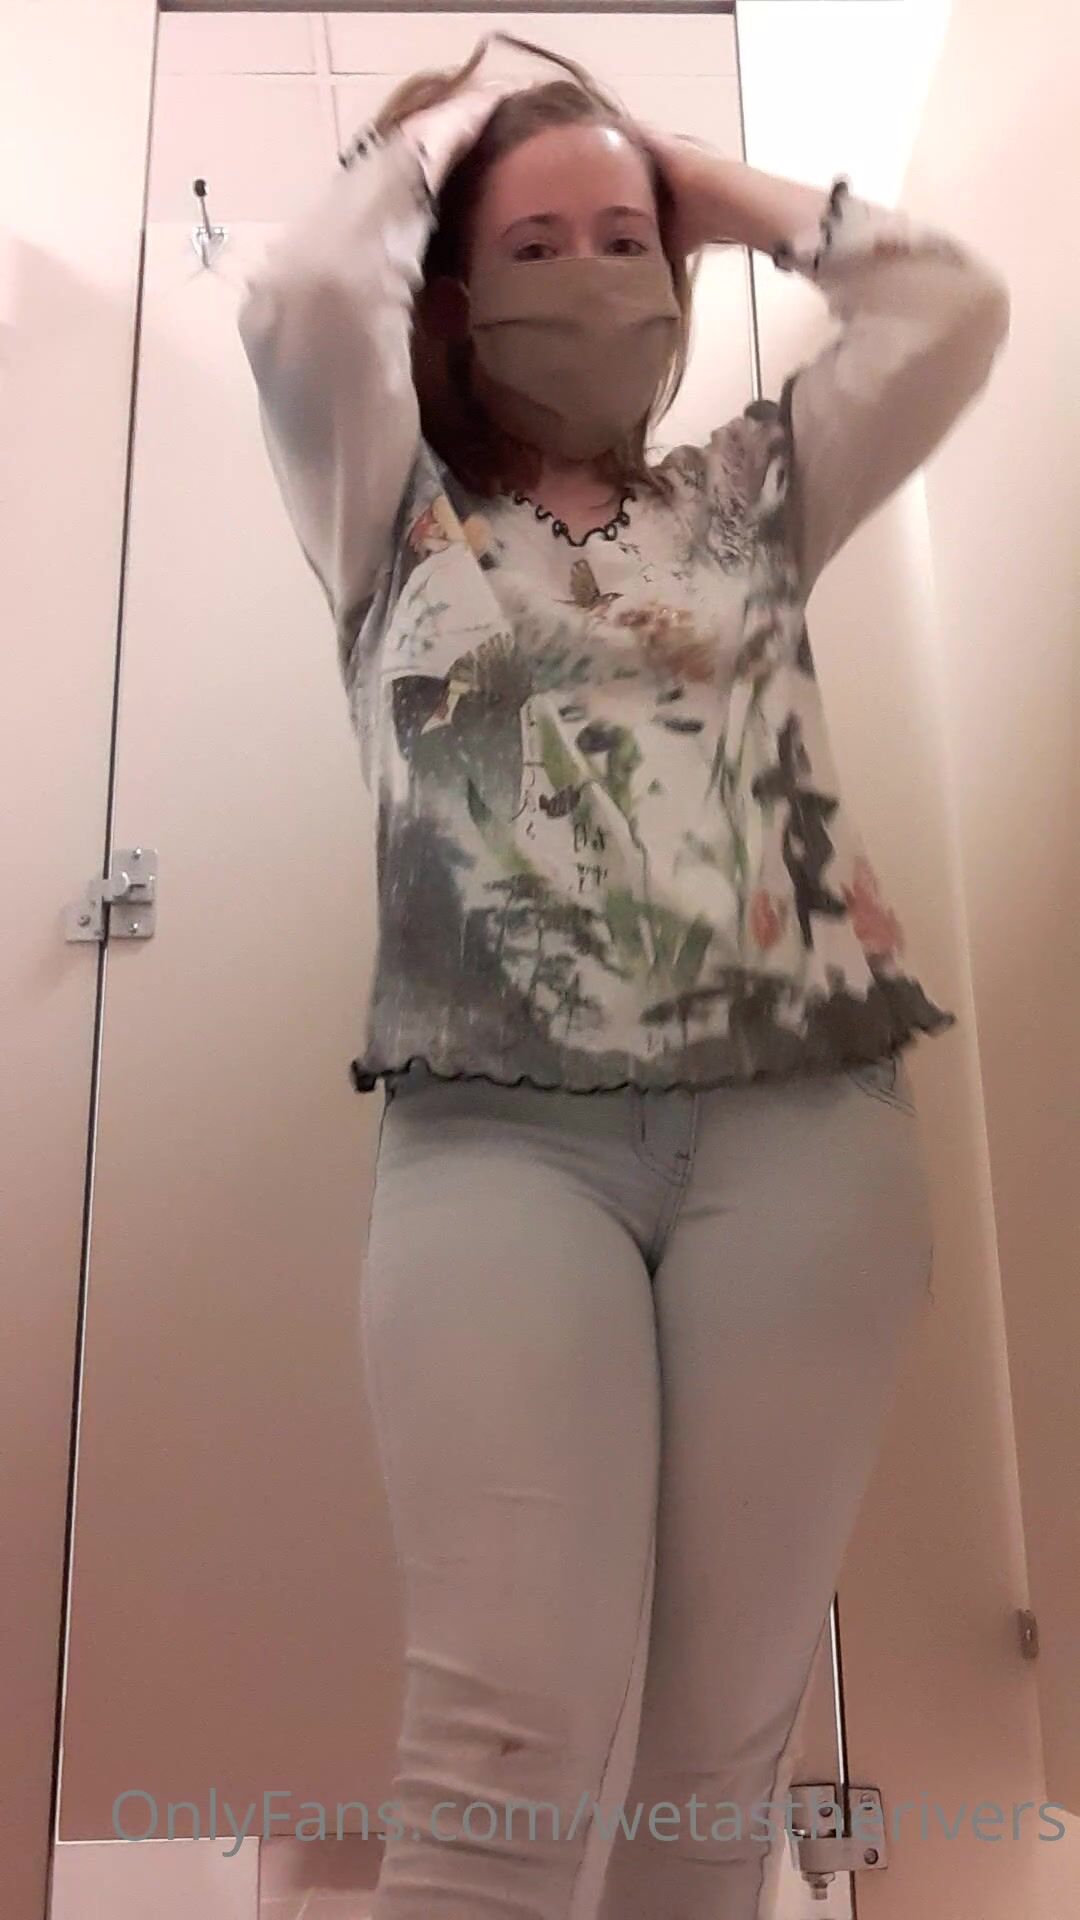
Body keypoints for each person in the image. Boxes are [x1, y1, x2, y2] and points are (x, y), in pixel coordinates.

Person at [238, 33, 1010, 1920]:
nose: (594, 278)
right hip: (497, 1144)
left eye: (623, 244)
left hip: (808, 1135)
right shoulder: (387, 505)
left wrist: (697, 179)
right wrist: (445, 133)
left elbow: (950, 305)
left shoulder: (749, 495)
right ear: (452, 293)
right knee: (501, 1747)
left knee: (719, 1753)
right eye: (536, 247)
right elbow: (301, 295)